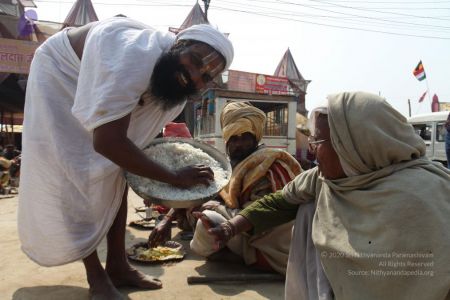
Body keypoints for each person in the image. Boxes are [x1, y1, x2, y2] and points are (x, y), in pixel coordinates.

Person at [18, 17, 233, 300]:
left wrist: (163, 171)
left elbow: (124, 152)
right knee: (76, 174)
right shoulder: (134, 56)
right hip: (61, 71)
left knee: (115, 174)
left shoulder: (176, 92)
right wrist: (174, 178)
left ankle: (118, 266)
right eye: (193, 60)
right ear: (178, 44)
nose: (194, 76)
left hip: (99, 72)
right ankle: (96, 278)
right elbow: (108, 142)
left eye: (204, 77)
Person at [196, 92, 450, 300]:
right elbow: (280, 201)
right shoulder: (324, 177)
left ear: (351, 145)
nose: (312, 153)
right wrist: (230, 227)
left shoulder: (425, 195)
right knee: (307, 210)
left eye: (317, 142)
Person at [149, 102, 302, 274]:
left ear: (256, 138)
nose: (239, 144)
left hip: (264, 237)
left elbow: (263, 215)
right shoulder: (228, 165)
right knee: (204, 224)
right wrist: (166, 220)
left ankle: (248, 257)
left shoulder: (267, 165)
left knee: (206, 218)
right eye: (234, 139)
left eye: (245, 138)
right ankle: (237, 253)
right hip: (235, 232)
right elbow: (197, 192)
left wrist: (216, 208)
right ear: (227, 141)